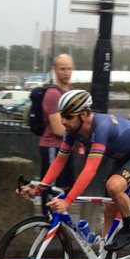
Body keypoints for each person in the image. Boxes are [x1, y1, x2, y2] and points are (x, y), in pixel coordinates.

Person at [20, 89, 130, 259]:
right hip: (123, 156)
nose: (63, 122)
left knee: (114, 186)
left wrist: (67, 201)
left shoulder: (101, 127)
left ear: (84, 115)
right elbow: (59, 161)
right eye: (62, 116)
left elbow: (90, 169)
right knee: (109, 206)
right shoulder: (72, 131)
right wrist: (38, 189)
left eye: (68, 117)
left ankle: (129, 230)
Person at [38, 53, 75, 185]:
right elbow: (58, 129)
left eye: (69, 69)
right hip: (53, 147)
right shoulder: (53, 94)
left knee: (65, 189)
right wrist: (79, 136)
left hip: (66, 148)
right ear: (55, 70)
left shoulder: (71, 91)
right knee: (51, 189)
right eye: (62, 69)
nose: (66, 72)